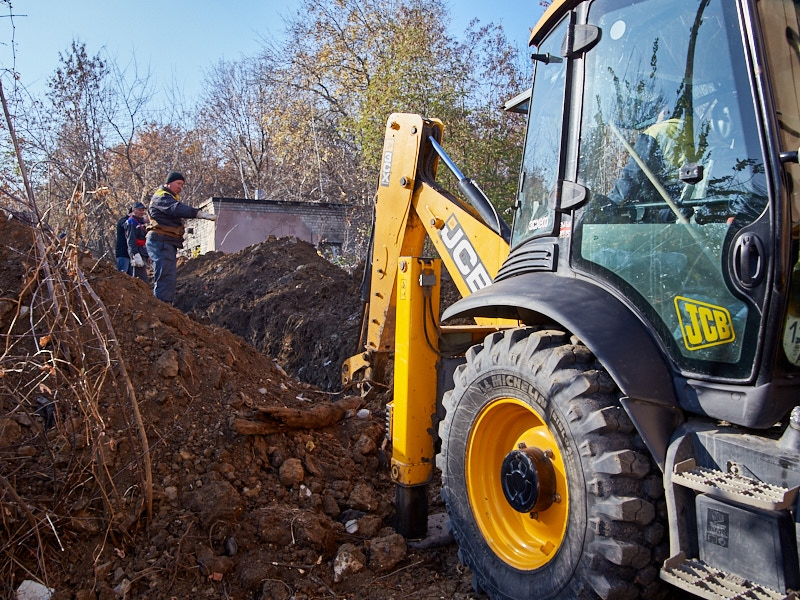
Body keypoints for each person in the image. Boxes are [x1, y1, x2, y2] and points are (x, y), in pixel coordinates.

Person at [146, 172, 216, 304]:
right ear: (168, 183)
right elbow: (175, 209)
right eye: (178, 183)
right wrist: (198, 213)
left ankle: (165, 305)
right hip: (160, 241)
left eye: (182, 185)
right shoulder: (162, 197)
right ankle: (162, 306)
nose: (180, 187)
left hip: (166, 241)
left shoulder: (169, 197)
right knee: (165, 276)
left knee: (168, 276)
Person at [126, 201, 150, 284]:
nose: (141, 212)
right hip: (137, 253)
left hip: (142, 251)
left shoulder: (140, 222)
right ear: (133, 210)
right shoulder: (131, 222)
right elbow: (131, 240)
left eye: (143, 210)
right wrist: (134, 254)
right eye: (139, 210)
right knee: (141, 280)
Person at [115, 208, 132, 274]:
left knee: (131, 278)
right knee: (123, 275)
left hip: (130, 255)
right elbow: (125, 225)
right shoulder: (124, 221)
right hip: (123, 253)